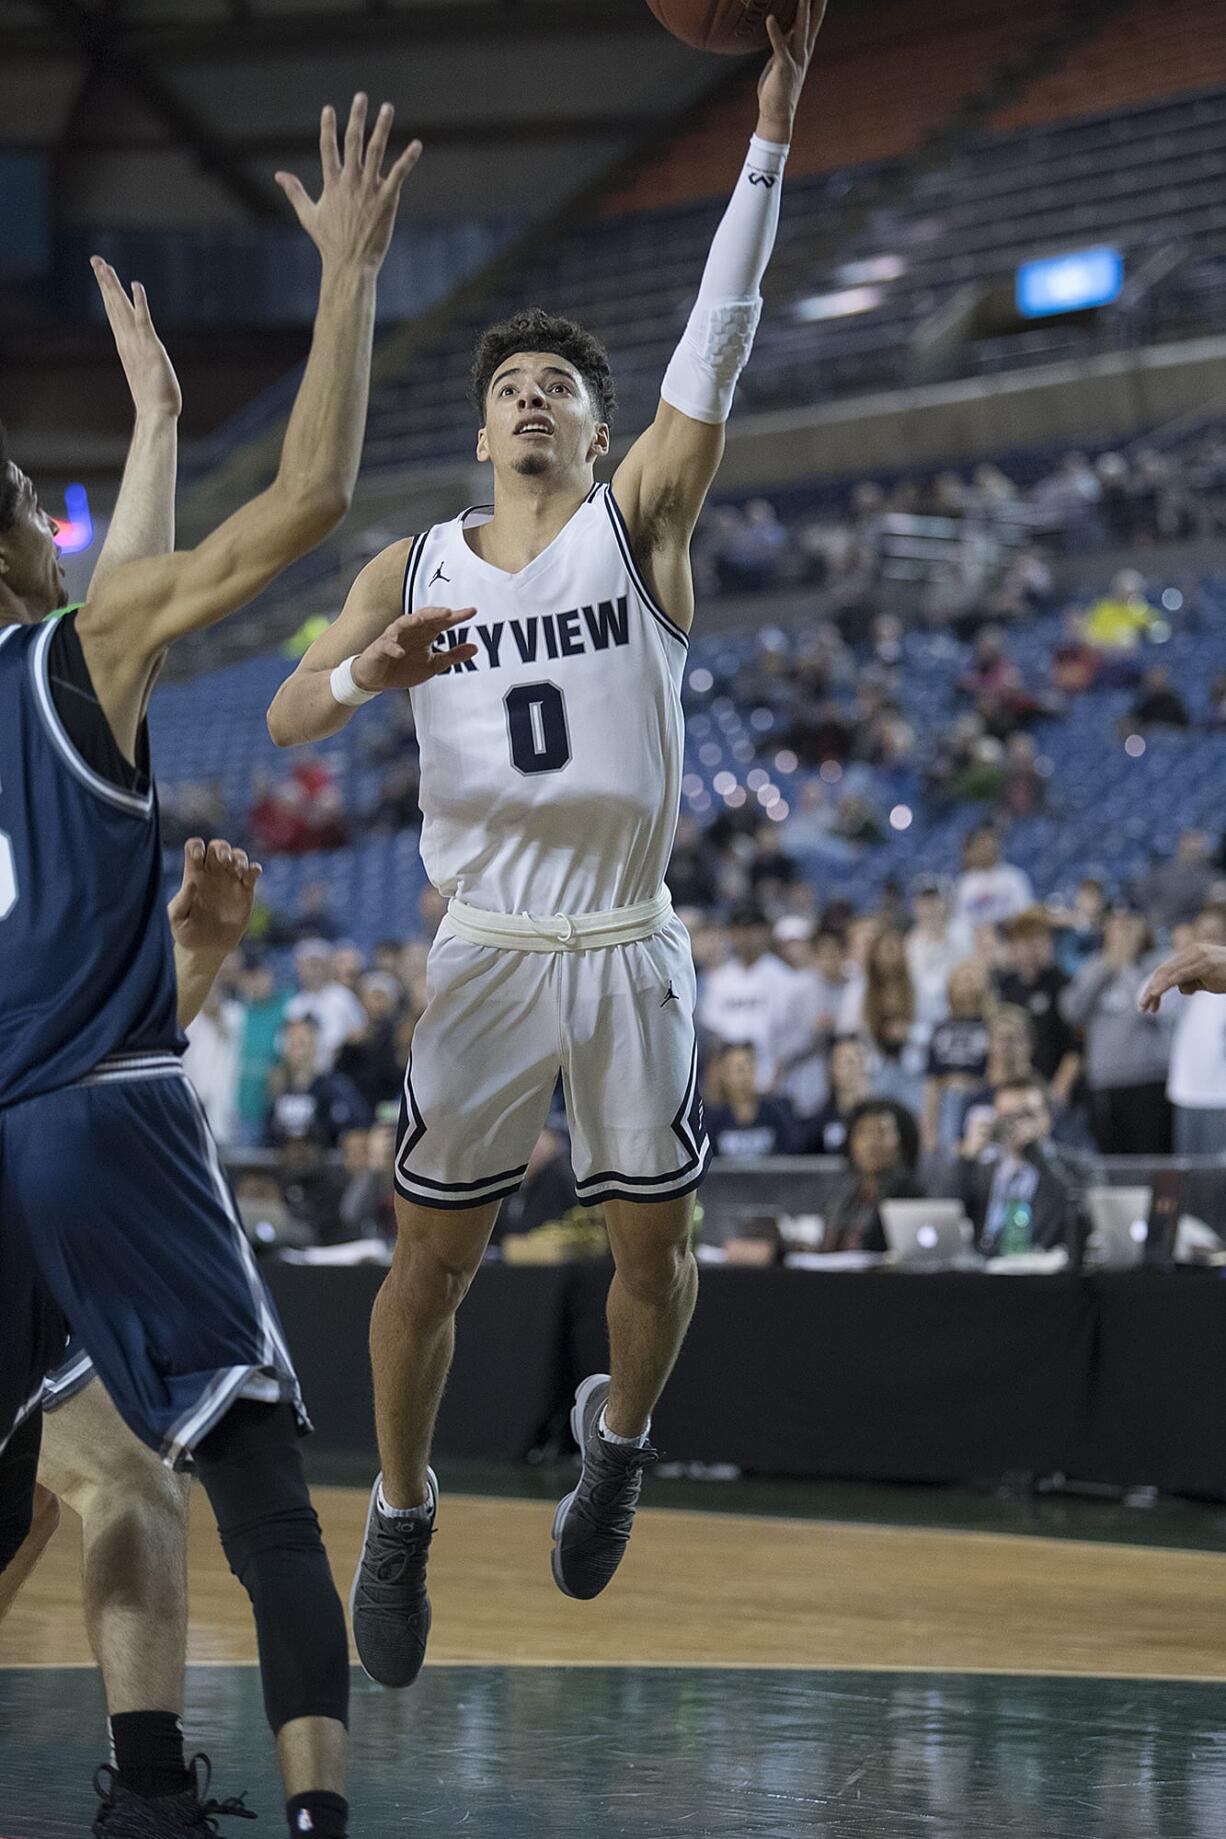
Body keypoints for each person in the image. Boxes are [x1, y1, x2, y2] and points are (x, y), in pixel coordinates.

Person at [264, 9, 829, 1685]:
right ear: (483, 429)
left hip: (628, 936)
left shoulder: (636, 521)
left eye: (559, 390)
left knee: (656, 1247)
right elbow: (290, 714)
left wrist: (772, 132)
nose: (530, 401)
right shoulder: (414, 562)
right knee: (427, 1251)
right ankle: (404, 1505)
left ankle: (623, 1441)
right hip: (493, 944)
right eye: (509, 385)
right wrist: (370, 667)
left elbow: (717, 342)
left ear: (595, 435)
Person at [0, 94, 418, 1839]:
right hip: (97, 1118)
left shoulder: (74, 653)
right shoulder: (71, 649)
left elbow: (133, 627)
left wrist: (160, 413)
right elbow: (310, 498)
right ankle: (310, 1806)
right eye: (31, 491)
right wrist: (348, 281)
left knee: (80, 1468)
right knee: (241, 1458)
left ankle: (149, 1784)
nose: (56, 506)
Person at [1062, 905, 1175, 1154]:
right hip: (1105, 1080)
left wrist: (1126, 968)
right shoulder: (1094, 967)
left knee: (1149, 1157)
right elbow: (1072, 1011)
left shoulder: (1159, 964)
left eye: (1129, 926)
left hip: (1149, 1079)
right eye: (1116, 926)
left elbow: (1155, 1010)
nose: (1122, 933)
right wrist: (1107, 966)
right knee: (1111, 1159)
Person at [944, 1077, 1090, 1256]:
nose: (1018, 1125)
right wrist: (966, 1158)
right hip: (982, 1271)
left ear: (1049, 1117)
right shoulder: (982, 1168)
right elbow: (943, 1215)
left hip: (1043, 1272)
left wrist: (1036, 1154)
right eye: (1008, 1117)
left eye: (1028, 1115)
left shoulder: (1078, 1165)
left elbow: (1076, 1212)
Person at [697, 903, 802, 1090]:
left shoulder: (784, 978)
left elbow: (787, 1038)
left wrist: (775, 1080)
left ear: (765, 933)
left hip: (770, 1078)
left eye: (753, 930)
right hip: (728, 1081)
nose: (746, 937)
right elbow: (716, 1038)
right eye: (740, 931)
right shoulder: (720, 978)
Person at [997, 909, 1081, 1106]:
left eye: (1039, 939)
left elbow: (1076, 1044)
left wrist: (1060, 1087)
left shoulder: (1063, 984)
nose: (1032, 947)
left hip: (1054, 1085)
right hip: (1016, 1090)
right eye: (1025, 940)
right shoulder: (1006, 986)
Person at [820, 1100, 922, 1253]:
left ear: (903, 1141)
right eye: (862, 1132)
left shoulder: (912, 1198)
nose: (871, 1143)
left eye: (881, 1132)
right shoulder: (841, 1197)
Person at [1163, 907, 1226, 1155]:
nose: (1206, 942)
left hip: (1221, 1096)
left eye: (1214, 934)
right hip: (1187, 1093)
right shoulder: (1185, 976)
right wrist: (1182, 959)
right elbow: (1147, 1003)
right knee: (1188, 1175)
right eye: (1201, 935)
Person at [265, 1015, 372, 1150]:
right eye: (292, 1043)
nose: (297, 1051)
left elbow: (360, 1122)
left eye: (302, 1043)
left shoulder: (335, 1087)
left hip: (325, 1167)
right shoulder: (277, 1090)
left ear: (314, 1046)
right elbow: (268, 1136)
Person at [923, 960, 993, 1155]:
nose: (967, 984)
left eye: (972, 978)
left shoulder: (990, 1025)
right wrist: (928, 1132)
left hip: (979, 1097)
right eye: (961, 979)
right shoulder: (941, 1028)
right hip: (947, 1099)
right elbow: (932, 1082)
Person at [704, 1041, 797, 1158]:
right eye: (735, 1070)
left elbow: (789, 1152)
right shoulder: (712, 1119)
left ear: (755, 1069)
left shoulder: (775, 1111)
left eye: (745, 1068)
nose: (741, 1077)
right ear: (723, 1074)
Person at [799, 1033, 873, 1155]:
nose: (854, 1066)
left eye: (860, 1058)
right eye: (846, 1061)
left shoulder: (884, 1118)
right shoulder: (817, 1124)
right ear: (831, 1068)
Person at [952, 825, 1034, 932]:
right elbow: (959, 923)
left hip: (1009, 939)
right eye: (982, 842)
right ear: (972, 848)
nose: (987, 847)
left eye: (991, 842)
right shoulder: (963, 883)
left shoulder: (1013, 877)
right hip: (974, 942)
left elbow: (1024, 915)